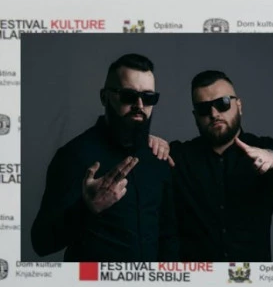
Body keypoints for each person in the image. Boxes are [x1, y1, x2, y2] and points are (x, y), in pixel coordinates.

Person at [30, 53, 178, 261]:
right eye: (128, 95)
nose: (139, 105)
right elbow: (41, 242)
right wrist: (87, 208)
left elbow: (168, 235)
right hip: (92, 281)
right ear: (104, 97)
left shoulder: (157, 156)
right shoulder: (74, 155)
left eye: (148, 97)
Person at [165, 70, 273, 262]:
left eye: (222, 103)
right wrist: (151, 141)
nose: (214, 114)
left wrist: (271, 157)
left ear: (239, 106)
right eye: (204, 108)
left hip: (253, 277)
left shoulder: (262, 148)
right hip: (196, 278)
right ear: (195, 115)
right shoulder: (179, 157)